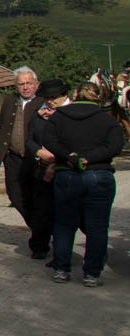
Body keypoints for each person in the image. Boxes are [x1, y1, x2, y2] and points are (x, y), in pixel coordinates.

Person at [37, 81, 123, 286]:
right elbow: (116, 146)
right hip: (99, 174)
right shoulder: (107, 120)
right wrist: (89, 158)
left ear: (76, 94)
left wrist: (70, 156)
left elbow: (48, 140)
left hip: (67, 174)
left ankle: (61, 270)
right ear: (99, 97)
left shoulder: (59, 117)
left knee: (64, 225)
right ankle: (92, 274)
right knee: (97, 227)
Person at [0, 67, 54, 260]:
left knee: (38, 200)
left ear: (36, 85)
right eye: (21, 84)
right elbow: (2, 125)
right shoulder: (9, 101)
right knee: (16, 196)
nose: (25, 87)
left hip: (36, 159)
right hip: (12, 157)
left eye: (29, 83)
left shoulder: (43, 102)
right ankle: (42, 228)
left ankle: (39, 244)